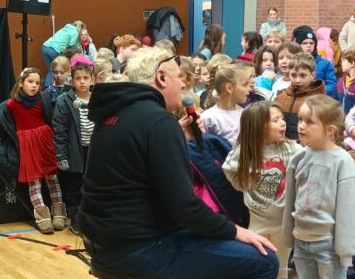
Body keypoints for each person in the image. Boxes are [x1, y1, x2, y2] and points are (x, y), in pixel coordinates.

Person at [79, 46, 280, 279]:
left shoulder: (113, 115)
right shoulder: (158, 121)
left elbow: (134, 171)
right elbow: (184, 206)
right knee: (264, 260)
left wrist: (178, 138)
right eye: (179, 77)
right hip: (140, 249)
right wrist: (236, 231)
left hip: (103, 245)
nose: (183, 85)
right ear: (161, 77)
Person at [281, 95, 355, 278]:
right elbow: (290, 200)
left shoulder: (343, 162)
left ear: (330, 130)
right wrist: (288, 236)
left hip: (328, 245)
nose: (301, 126)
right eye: (300, 119)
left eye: (310, 122)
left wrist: (345, 250)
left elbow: (349, 210)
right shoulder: (299, 158)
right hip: (301, 241)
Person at [223, 101, 303, 278]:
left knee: (281, 268)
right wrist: (242, 184)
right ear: (258, 127)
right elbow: (228, 168)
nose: (283, 123)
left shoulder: (292, 148)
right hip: (257, 221)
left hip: (284, 222)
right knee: (259, 264)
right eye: (276, 120)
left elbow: (306, 167)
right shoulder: (244, 151)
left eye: (282, 118)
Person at [0, 68, 65, 234]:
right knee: (34, 181)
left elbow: (49, 118)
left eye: (37, 83)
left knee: (52, 178)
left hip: (45, 140)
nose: (34, 86)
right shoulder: (11, 104)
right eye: (30, 82)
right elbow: (7, 125)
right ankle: (43, 217)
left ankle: (59, 213)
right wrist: (6, 140)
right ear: (20, 83)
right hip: (27, 143)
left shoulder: (42, 99)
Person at [52, 62, 95, 228]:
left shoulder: (97, 99)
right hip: (74, 151)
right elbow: (60, 130)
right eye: (78, 79)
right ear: (72, 81)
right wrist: (61, 155)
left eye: (86, 78)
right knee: (74, 186)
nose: (82, 82)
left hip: (93, 150)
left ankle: (89, 217)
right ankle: (76, 217)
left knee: (91, 184)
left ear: (92, 80)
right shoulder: (65, 100)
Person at [274, 53, 326, 140]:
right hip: (283, 146)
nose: (297, 80)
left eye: (302, 75)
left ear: (312, 75)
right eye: (293, 75)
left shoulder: (319, 100)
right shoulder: (280, 98)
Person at [202, 64, 251, 146]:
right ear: (229, 88)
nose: (249, 89)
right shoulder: (208, 118)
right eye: (244, 85)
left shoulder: (246, 115)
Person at [292, 25, 337, 97]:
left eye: (311, 43)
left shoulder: (325, 63)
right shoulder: (292, 62)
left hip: (318, 100)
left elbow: (332, 85)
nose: (309, 45)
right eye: (305, 43)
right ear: (298, 44)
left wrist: (317, 91)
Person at [41, 21, 85, 86]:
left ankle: (46, 89)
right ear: (80, 29)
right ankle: (61, 87)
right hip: (54, 50)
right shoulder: (75, 32)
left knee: (51, 71)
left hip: (45, 47)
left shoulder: (66, 28)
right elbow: (71, 46)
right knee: (62, 69)